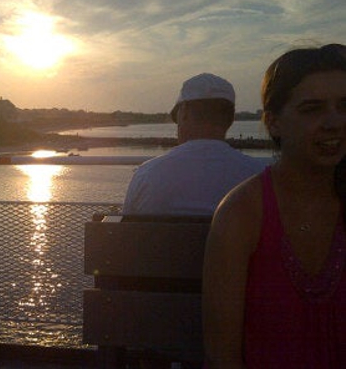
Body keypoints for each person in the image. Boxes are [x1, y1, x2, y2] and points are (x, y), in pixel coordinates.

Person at [202, 44, 346, 368]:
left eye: (344, 106)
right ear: (274, 122)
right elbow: (221, 356)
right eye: (312, 108)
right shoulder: (242, 215)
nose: (334, 122)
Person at [122, 73, 266, 216]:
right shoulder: (259, 177)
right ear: (231, 119)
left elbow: (125, 229)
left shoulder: (147, 175)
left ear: (183, 114)